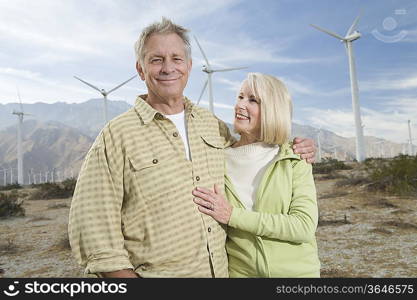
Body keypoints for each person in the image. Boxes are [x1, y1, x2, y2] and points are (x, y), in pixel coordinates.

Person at [68, 17, 316, 278]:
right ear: (140, 70)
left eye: (176, 59)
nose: (167, 68)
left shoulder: (213, 127)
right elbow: (91, 226)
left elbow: (254, 150)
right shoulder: (115, 136)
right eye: (156, 59)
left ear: (188, 66)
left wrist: (299, 146)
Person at [193, 73, 321, 277]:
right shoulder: (218, 158)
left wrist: (232, 216)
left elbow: (303, 226)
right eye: (240, 97)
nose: (240, 105)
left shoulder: (294, 157)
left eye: (253, 100)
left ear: (273, 110)